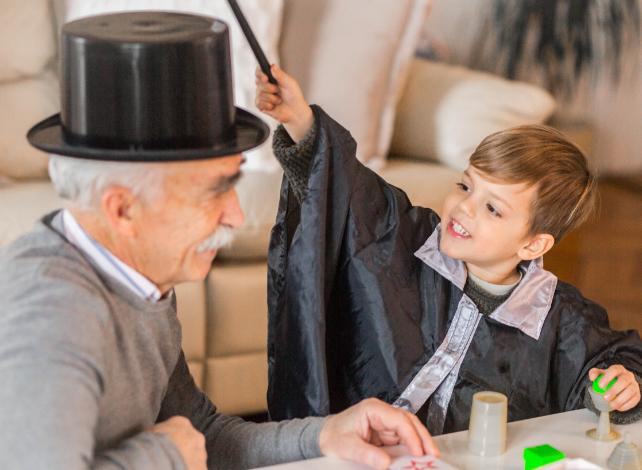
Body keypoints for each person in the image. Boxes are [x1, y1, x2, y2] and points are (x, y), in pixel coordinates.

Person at [0, 12, 439, 470]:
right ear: (122, 210)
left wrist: (326, 434)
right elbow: (180, 446)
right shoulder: (53, 311)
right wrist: (166, 453)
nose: (235, 214)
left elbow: (201, 432)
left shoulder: (137, 280)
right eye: (214, 190)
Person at [255, 64, 642, 434]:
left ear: (533, 244)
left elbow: (621, 359)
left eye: (492, 208)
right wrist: (300, 120)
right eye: (465, 186)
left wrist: (623, 384)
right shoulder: (399, 234)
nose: (464, 208)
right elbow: (344, 184)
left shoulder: (560, 321)